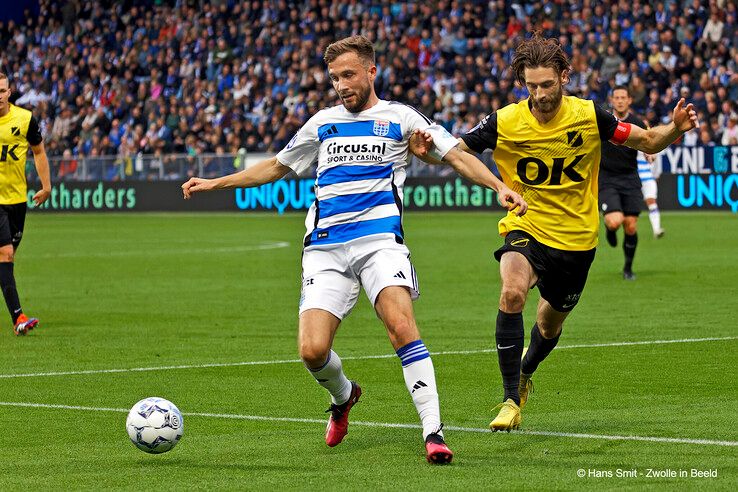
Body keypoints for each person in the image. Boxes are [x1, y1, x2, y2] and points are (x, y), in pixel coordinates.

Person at [181, 35, 527, 463]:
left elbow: (455, 153)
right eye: (334, 78)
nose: (341, 84)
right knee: (311, 351)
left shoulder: (400, 117)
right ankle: (345, 397)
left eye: (348, 75)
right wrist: (216, 182)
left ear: (371, 71)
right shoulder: (321, 122)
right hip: (325, 247)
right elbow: (276, 166)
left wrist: (499, 186)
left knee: (400, 324)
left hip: (380, 242)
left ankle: (433, 431)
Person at [412, 33, 697, 431]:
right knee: (511, 291)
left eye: (548, 84)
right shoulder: (505, 121)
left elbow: (647, 140)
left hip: (577, 240)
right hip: (526, 224)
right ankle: (510, 399)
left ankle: (527, 371)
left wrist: (676, 128)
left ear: (565, 76)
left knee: (548, 326)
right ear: (522, 83)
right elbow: (457, 152)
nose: (541, 94)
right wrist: (428, 151)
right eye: (532, 86)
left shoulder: (589, 115)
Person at [0, 72, 52, 335]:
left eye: (1, 90)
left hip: (17, 200)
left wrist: (46, 186)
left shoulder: (24, 119)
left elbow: (39, 151)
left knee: (8, 260)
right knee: (5, 254)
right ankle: (18, 318)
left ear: (9, 92)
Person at [599, 85, 652, 280]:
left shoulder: (637, 122)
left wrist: (649, 153)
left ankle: (628, 268)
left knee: (630, 226)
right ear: (612, 100)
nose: (620, 100)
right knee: (615, 222)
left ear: (629, 100)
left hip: (629, 177)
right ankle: (609, 229)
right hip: (606, 178)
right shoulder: (604, 120)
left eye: (623, 97)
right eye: (617, 97)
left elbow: (647, 141)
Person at [637, 151, 665, 239]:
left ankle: (656, 229)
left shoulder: (648, 141)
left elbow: (656, 158)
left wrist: (656, 174)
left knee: (652, 202)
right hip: (633, 176)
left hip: (647, 176)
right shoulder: (630, 140)